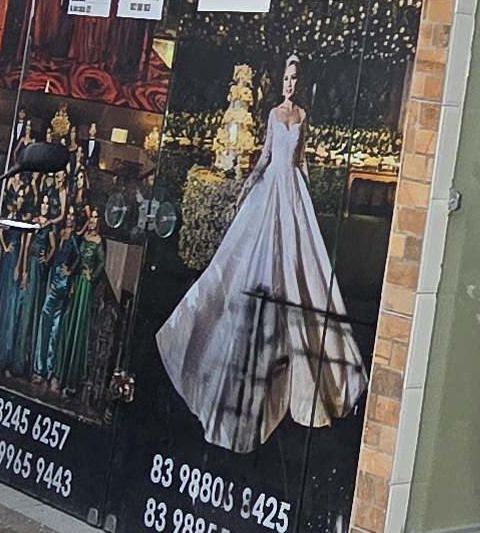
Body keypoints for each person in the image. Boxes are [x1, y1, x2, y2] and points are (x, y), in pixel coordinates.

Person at [156, 57, 368, 449]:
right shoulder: (273, 114)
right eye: (286, 78)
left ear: (300, 83)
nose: (289, 84)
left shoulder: (302, 116)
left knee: (299, 268)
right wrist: (247, 186)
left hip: (292, 192)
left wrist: (307, 202)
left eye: (294, 79)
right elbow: (267, 154)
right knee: (250, 261)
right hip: (270, 189)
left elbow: (299, 160)